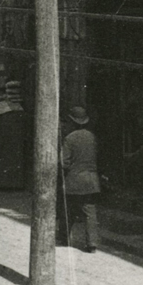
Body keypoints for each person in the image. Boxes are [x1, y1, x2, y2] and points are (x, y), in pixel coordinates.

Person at [59, 105, 101, 253]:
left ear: (72, 121)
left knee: (68, 209)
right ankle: (92, 243)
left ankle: (63, 237)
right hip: (91, 179)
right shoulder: (92, 137)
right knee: (90, 211)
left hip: (74, 180)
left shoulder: (69, 139)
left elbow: (64, 162)